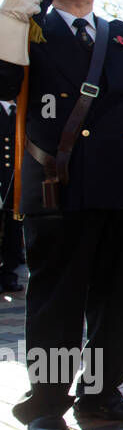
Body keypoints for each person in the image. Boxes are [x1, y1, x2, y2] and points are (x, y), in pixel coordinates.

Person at [0, 0, 123, 430]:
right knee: (57, 296)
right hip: (58, 186)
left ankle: (101, 393)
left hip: (122, 185)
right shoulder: (30, 30)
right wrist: (9, 24)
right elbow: (5, 85)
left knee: (116, 295)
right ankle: (48, 402)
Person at [0, 98, 23, 291]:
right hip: (1, 178)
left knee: (13, 229)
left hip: (14, 180)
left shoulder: (20, 109)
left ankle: (9, 274)